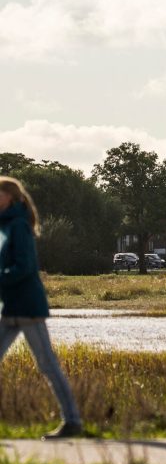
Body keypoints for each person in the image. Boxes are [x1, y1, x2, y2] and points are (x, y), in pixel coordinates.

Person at [0, 177, 82, 438]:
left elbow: (24, 267)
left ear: (8, 197)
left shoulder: (19, 226)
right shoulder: (5, 226)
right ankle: (72, 421)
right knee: (48, 364)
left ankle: (72, 421)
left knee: (47, 364)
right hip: (10, 308)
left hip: (27, 308)